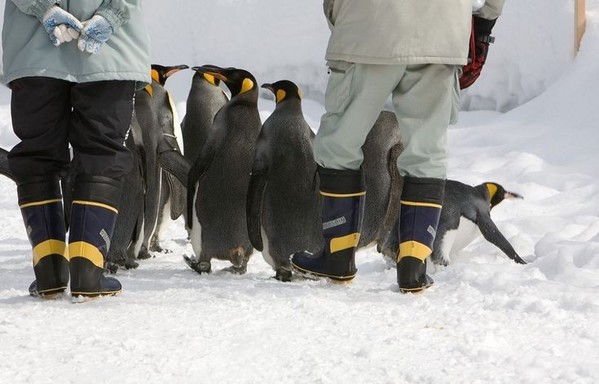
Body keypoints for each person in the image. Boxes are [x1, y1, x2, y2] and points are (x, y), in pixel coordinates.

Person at [291, 0, 506, 293]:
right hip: (442, 30)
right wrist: (485, 21)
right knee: (426, 150)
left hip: (368, 26)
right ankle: (413, 267)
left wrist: (340, 16)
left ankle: (337, 256)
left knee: (340, 144)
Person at [1, 0, 151, 299]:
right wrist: (112, 14)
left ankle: (49, 271)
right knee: (103, 151)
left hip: (34, 48)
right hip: (109, 50)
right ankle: (87, 269)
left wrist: (42, 7)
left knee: (37, 153)